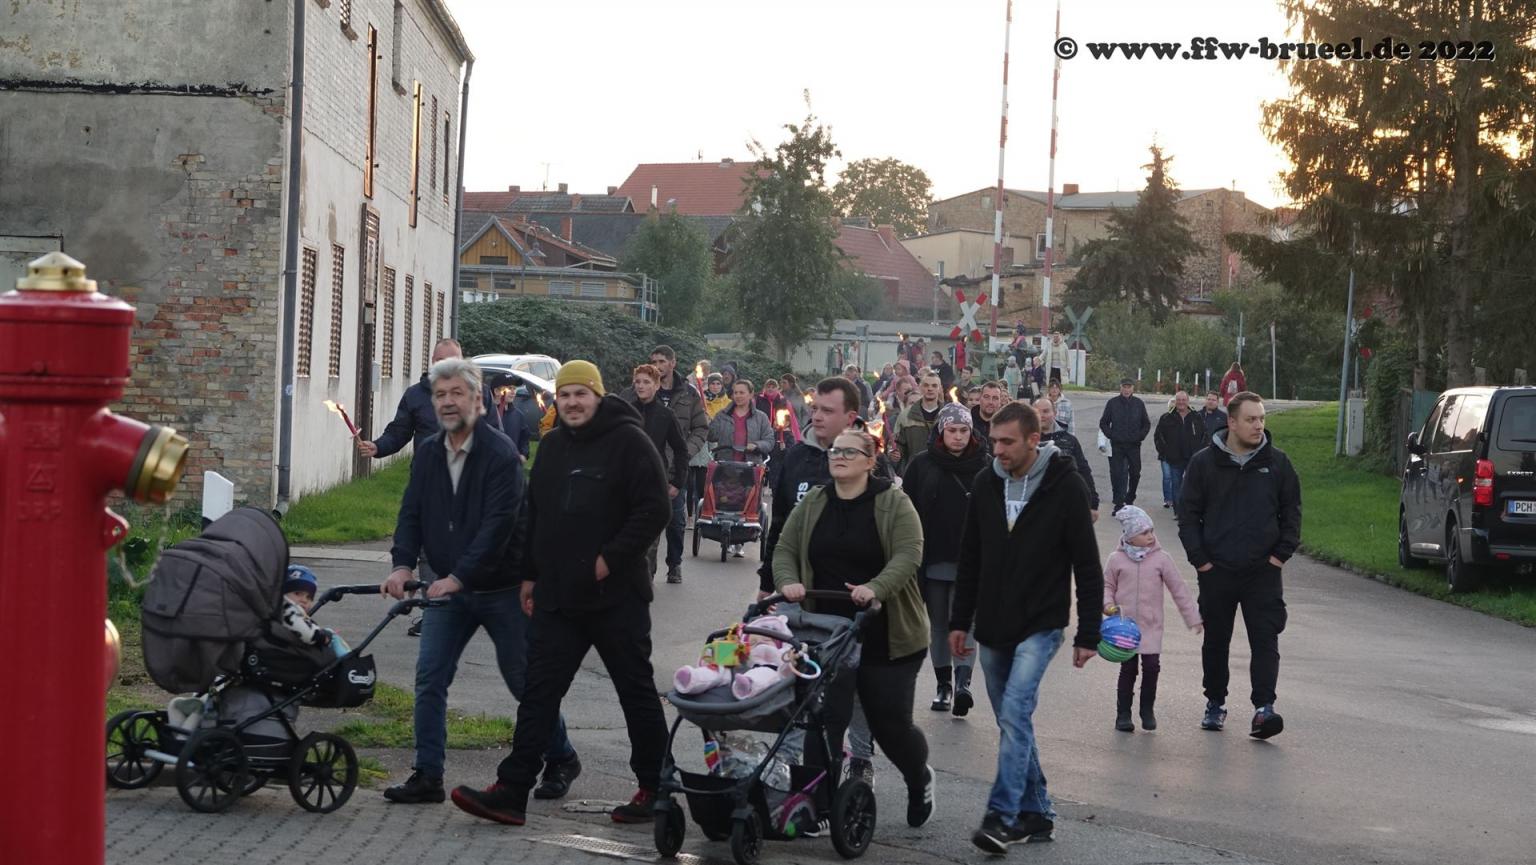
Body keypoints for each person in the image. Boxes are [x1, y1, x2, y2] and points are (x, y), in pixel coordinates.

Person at [451, 360, 672, 826]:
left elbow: (653, 510)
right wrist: (529, 574)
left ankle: (656, 788)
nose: (572, 403)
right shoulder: (551, 446)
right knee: (539, 693)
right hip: (558, 596)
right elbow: (535, 514)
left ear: (598, 396)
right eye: (565, 395)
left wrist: (608, 560)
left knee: (635, 692)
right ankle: (512, 790)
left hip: (617, 597)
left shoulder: (630, 442)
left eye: (580, 394)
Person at [380, 356, 579, 806]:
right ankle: (427, 774)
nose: (448, 402)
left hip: (501, 587)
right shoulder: (428, 452)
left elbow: (498, 526)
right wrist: (402, 565)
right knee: (430, 677)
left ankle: (561, 756)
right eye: (440, 395)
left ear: (479, 401)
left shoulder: (500, 454)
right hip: (447, 589)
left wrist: (459, 576)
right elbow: (412, 512)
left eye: (458, 393)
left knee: (522, 680)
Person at [950, 402, 1103, 853]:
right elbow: (970, 557)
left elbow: (1087, 564)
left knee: (1016, 712)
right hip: (993, 623)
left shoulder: (1065, 486)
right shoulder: (986, 483)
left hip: (1042, 622)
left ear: (1034, 440)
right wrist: (960, 621)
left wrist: (1088, 633)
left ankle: (1002, 817)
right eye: (993, 441)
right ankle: (1037, 812)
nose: (997, 450)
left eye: (1007, 442)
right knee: (1011, 719)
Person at [773, 428, 936, 829]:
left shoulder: (893, 502)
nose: (839, 456)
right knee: (823, 717)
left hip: (886, 635)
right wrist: (788, 582)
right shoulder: (815, 501)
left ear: (870, 460)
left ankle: (919, 778)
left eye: (850, 452)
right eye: (835, 451)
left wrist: (875, 587)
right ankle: (818, 806)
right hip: (827, 633)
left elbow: (909, 553)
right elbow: (785, 549)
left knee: (889, 724)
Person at [756, 376, 887, 778]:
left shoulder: (870, 460)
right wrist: (768, 582)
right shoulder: (797, 458)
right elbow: (780, 525)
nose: (816, 416)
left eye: (827, 411)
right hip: (805, 594)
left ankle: (860, 760)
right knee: (799, 677)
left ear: (850, 416)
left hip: (855, 597)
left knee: (855, 684)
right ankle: (794, 766)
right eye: (814, 408)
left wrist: (876, 588)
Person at [1176, 391, 1300, 740]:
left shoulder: (1278, 464)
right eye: (1250, 419)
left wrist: (1279, 557)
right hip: (1217, 570)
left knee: (1266, 639)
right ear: (1231, 422)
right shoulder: (1203, 464)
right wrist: (1201, 562)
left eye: (1261, 419)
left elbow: (1292, 513)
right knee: (1216, 641)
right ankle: (1215, 702)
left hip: (1263, 571)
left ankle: (1264, 709)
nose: (1258, 425)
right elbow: (1188, 516)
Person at [901, 404, 988, 716]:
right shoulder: (922, 464)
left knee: (966, 623)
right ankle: (943, 686)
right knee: (938, 625)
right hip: (933, 559)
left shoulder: (985, 465)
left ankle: (963, 683)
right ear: (941, 431)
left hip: (972, 562)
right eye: (952, 430)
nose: (958, 436)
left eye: (964, 430)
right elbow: (906, 510)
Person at [1101, 506, 1201, 732]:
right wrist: (1107, 605)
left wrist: (1193, 616)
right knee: (1128, 669)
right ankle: (1123, 714)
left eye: (1151, 531)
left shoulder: (1161, 559)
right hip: (1125, 628)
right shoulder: (1116, 559)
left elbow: (1178, 589)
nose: (1150, 536)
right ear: (1130, 536)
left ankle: (1147, 709)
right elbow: (1107, 586)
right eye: (1144, 532)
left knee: (1152, 666)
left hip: (1151, 626)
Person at [619, 345, 708, 585]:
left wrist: (682, 468)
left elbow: (699, 429)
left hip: (669, 470)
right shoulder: (630, 399)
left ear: (672, 363)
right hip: (634, 476)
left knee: (675, 521)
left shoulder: (688, 395)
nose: (657, 366)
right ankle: (637, 574)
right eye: (654, 362)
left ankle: (673, 563)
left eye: (661, 361)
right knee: (638, 527)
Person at [623, 364, 690, 584]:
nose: (641, 386)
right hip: (628, 481)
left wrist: (677, 482)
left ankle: (646, 577)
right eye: (638, 382)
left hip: (655, 480)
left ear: (657, 385)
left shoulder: (665, 414)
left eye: (646, 382)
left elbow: (681, 449)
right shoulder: (627, 411)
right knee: (626, 531)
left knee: (649, 535)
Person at [1033, 398, 1099, 522]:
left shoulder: (1070, 441)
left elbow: (1083, 471)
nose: (1041, 416)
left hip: (1064, 506)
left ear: (1055, 413)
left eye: (1046, 411)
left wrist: (1093, 504)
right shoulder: (1025, 441)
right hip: (1034, 506)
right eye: (1037, 412)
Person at [1100, 378, 1151, 512]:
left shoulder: (1138, 404)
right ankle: (1118, 502)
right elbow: (1103, 422)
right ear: (1120, 388)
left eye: (1129, 387)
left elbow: (1146, 424)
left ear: (1133, 388)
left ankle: (1130, 498)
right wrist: (1112, 435)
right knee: (1117, 474)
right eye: (1124, 387)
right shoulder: (1112, 403)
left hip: (1134, 445)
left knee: (1135, 473)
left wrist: (1140, 436)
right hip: (1117, 445)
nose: (1127, 390)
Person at [1153, 390, 1206, 513]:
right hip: (1174, 459)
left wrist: (1200, 453)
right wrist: (1165, 452)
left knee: (1193, 485)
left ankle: (1192, 510)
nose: (1181, 402)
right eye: (1179, 400)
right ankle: (1179, 511)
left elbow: (1205, 435)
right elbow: (1158, 437)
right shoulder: (1166, 418)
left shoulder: (1197, 417)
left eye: (1183, 400)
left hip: (1193, 459)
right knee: (1176, 485)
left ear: (1188, 401)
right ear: (1175, 401)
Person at [689, 373, 732, 524]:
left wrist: (713, 424)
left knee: (712, 482)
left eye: (718, 384)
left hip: (718, 445)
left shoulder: (728, 403)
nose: (715, 386)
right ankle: (691, 514)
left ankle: (710, 510)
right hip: (700, 444)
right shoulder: (701, 400)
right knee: (692, 483)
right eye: (712, 383)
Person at [892, 372, 944, 474]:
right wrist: (894, 452)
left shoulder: (948, 414)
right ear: (920, 388)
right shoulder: (905, 415)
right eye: (926, 385)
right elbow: (897, 443)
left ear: (940, 389)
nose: (930, 389)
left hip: (942, 473)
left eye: (934, 386)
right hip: (915, 472)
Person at [971, 381, 1005, 453]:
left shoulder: (1006, 426)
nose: (990, 402)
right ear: (980, 398)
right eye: (986, 397)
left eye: (995, 398)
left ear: (1000, 401)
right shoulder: (968, 422)